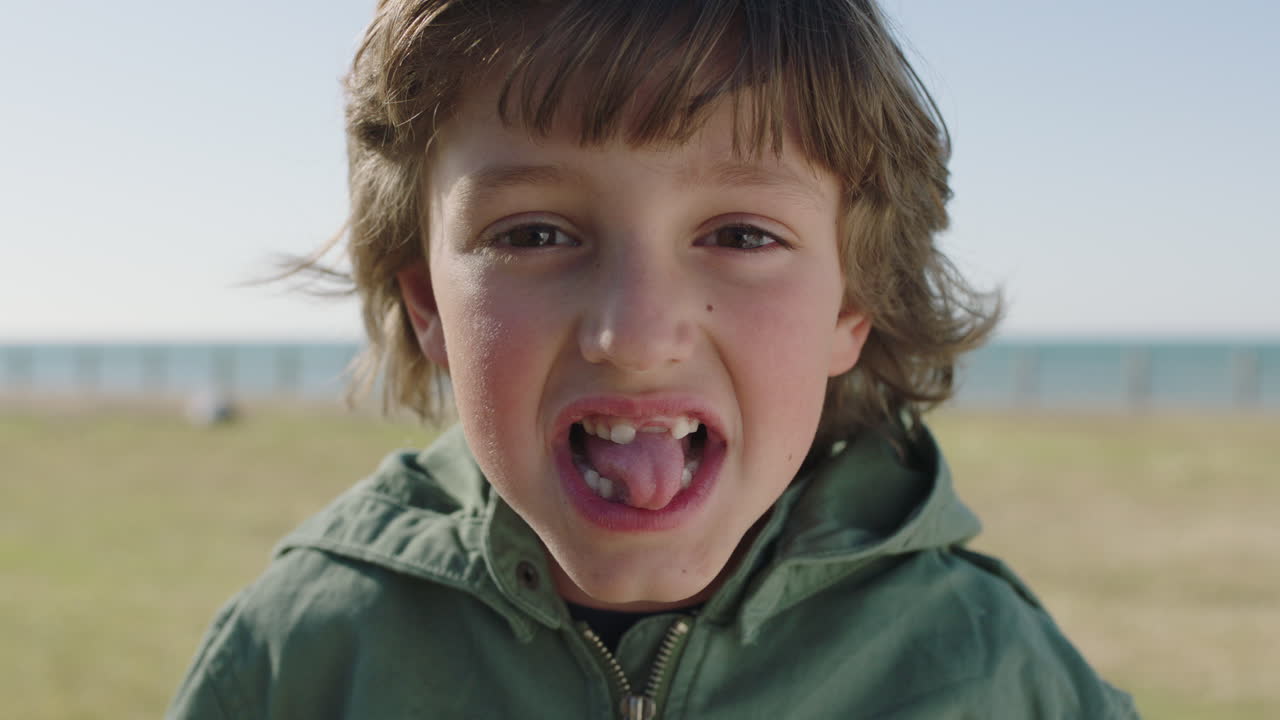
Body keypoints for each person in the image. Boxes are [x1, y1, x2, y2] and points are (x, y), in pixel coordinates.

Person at [169, 1, 1139, 717]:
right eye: (536, 234)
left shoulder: (991, 674)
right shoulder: (302, 657)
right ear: (427, 302)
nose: (632, 334)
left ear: (852, 303)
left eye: (741, 236)